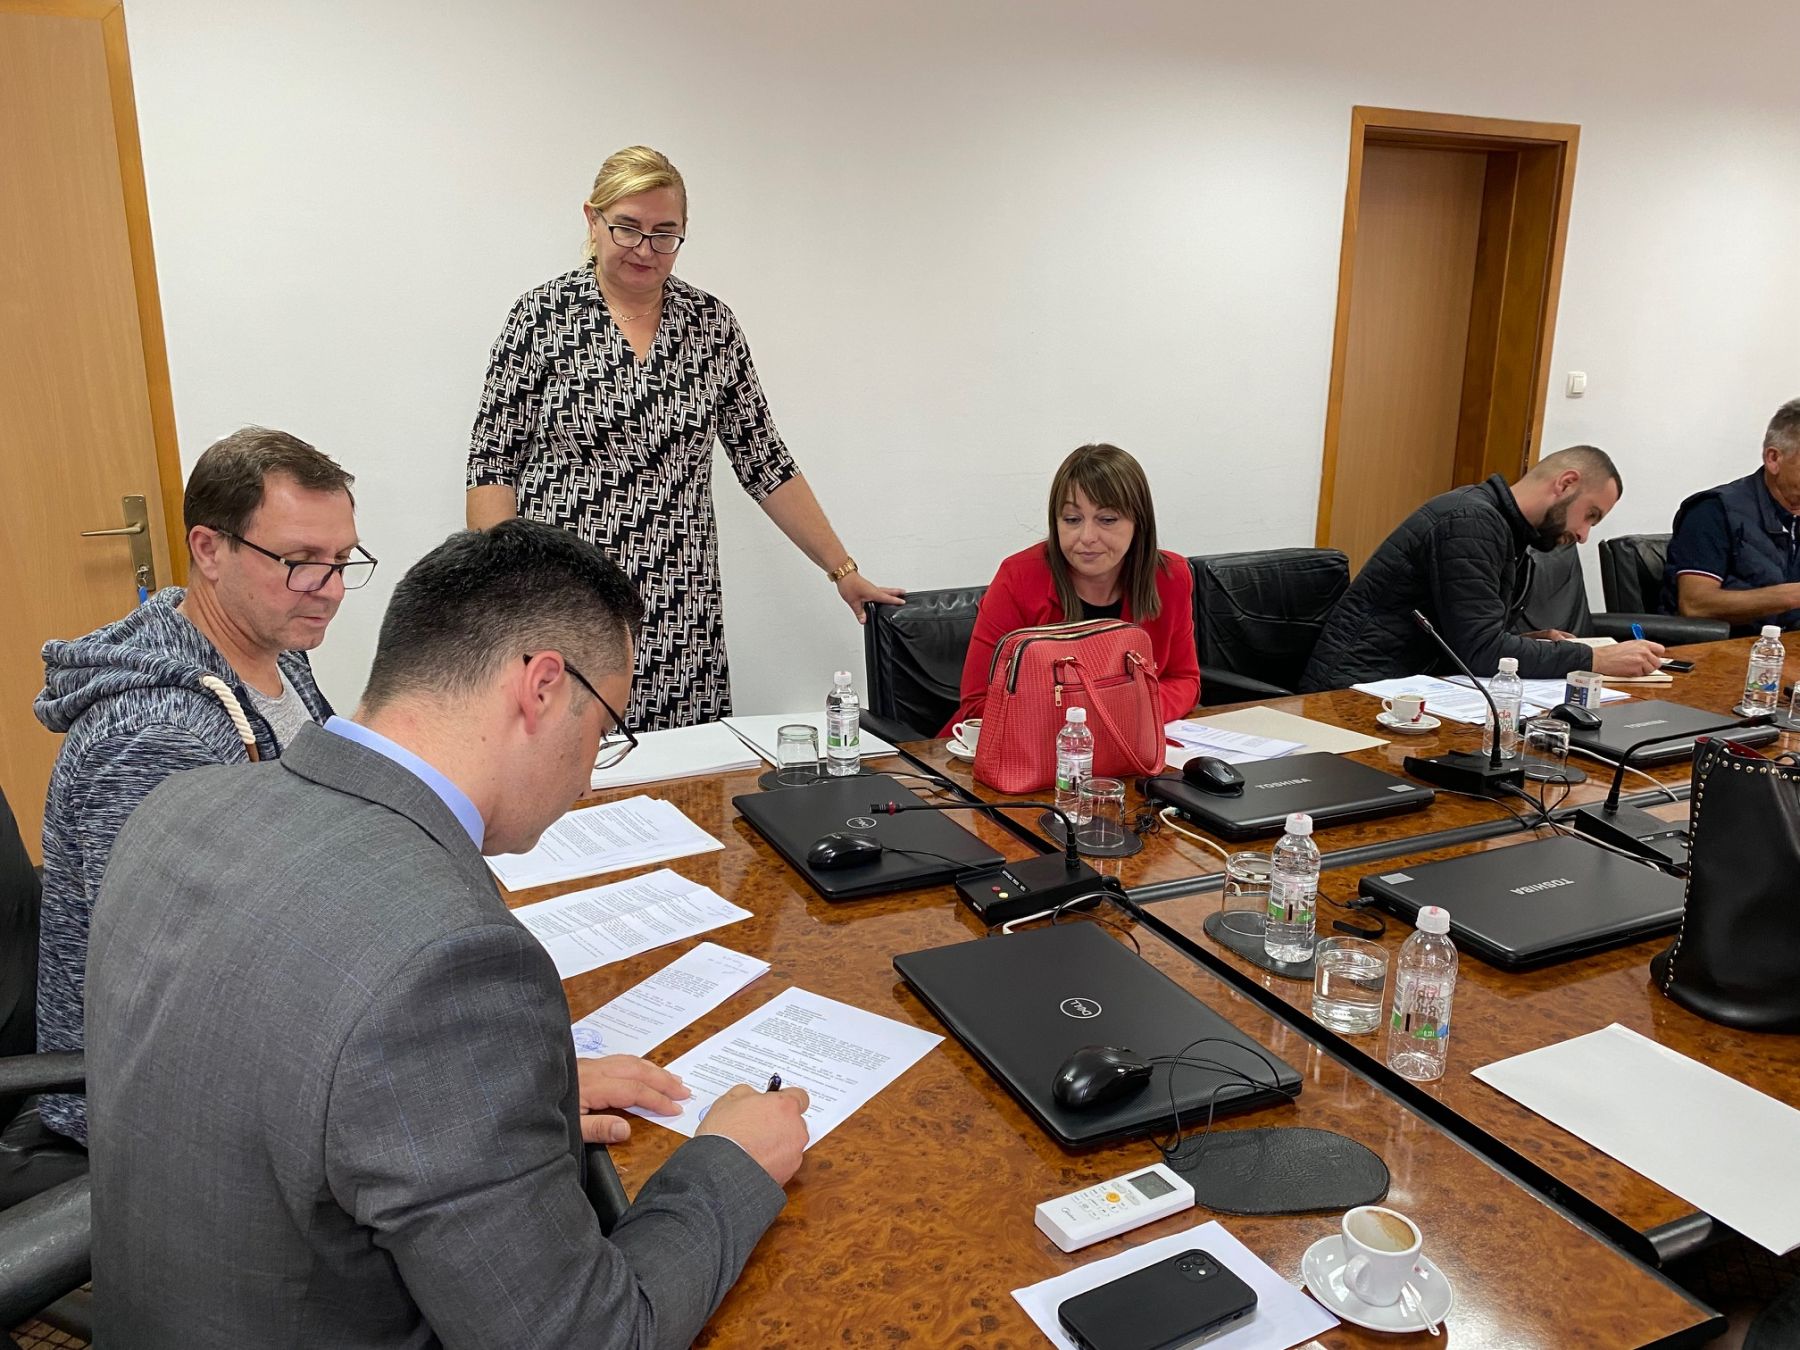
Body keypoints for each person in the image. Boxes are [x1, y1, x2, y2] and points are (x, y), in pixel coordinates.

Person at [85, 520, 812, 1348]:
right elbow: (588, 1336)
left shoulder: (179, 805)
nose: (587, 774)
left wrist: (493, 1100)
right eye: (605, 729)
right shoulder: (449, 964)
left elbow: (282, 1057)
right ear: (542, 687)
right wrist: (729, 1164)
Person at [467, 144, 902, 732]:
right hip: (562, 602)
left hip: (680, 607)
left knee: (685, 773)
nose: (645, 250)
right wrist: (501, 603)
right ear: (593, 220)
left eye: (664, 234)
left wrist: (842, 570)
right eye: (628, 228)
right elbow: (492, 464)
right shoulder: (540, 318)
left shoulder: (711, 327)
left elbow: (765, 461)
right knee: (562, 762)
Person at [32, 425, 366, 1147]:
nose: (331, 590)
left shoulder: (272, 646)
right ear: (209, 550)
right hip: (168, 1105)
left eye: (342, 561)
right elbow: (184, 995)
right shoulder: (157, 739)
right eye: (301, 562)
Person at [1301, 446, 1666, 690]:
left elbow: (1468, 637)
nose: (1584, 536)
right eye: (1590, 515)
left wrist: (1527, 643)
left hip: (1408, 686)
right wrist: (1594, 658)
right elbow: (1481, 652)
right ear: (1566, 483)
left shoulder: (1504, 528)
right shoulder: (1470, 522)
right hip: (1355, 694)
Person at [948, 443, 1201, 729]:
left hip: (1129, 742)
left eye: (1107, 519)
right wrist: (1088, 720)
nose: (1087, 536)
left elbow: (1184, 680)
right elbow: (978, 704)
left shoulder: (1170, 577)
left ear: (1139, 522)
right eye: (1072, 519)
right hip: (1025, 748)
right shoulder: (1018, 578)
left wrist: (1131, 713)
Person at [1662, 397, 1800, 634]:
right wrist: (1791, 596)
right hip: (1720, 649)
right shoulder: (1713, 510)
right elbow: (1695, 605)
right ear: (1773, 458)